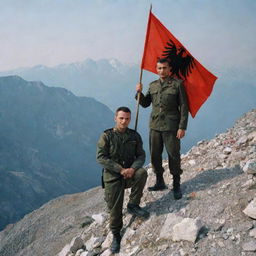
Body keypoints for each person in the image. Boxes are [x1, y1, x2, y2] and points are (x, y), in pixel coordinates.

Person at [96, 106, 149, 254]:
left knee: (142, 173)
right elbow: (101, 157)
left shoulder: (134, 136)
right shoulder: (106, 136)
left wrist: (133, 168)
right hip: (113, 177)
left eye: (127, 118)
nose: (124, 121)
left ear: (130, 119)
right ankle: (116, 234)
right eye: (121, 118)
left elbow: (141, 156)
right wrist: (120, 169)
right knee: (115, 209)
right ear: (115, 118)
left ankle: (133, 205)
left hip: (130, 174)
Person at [136, 58, 188, 200]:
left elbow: (184, 107)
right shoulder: (152, 85)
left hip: (171, 126)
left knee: (173, 154)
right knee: (155, 154)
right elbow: (146, 103)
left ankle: (176, 184)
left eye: (164, 68)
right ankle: (160, 181)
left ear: (169, 69)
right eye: (159, 68)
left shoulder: (177, 85)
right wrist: (139, 94)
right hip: (155, 126)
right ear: (156, 69)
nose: (162, 71)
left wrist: (182, 127)